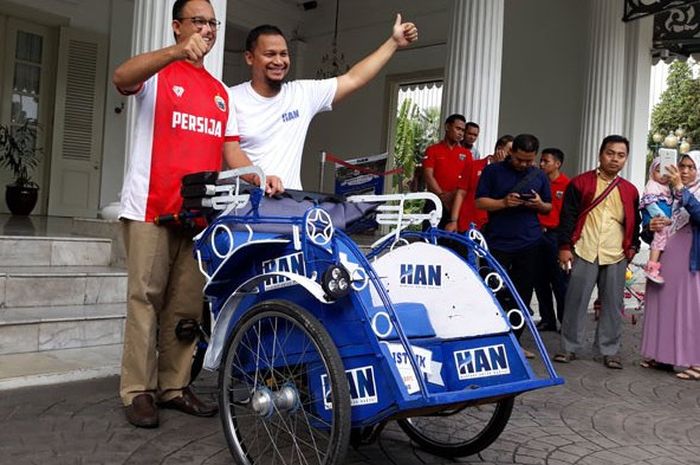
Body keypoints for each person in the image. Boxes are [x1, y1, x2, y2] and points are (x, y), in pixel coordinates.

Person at [113, 0, 281, 428]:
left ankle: (173, 385)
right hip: (151, 208)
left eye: (212, 23)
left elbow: (230, 151)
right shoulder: (158, 72)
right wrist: (173, 52)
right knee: (145, 301)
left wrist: (260, 177)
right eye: (198, 22)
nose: (207, 30)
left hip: (199, 215)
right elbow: (121, 78)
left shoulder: (220, 92)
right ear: (176, 26)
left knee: (186, 307)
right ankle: (138, 390)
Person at [229, 17, 418, 190]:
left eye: (283, 54)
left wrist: (393, 43)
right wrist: (259, 178)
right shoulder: (231, 98)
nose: (278, 61)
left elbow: (354, 78)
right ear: (249, 57)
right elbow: (230, 149)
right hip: (245, 207)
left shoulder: (301, 94)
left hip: (289, 207)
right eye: (270, 54)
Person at [553, 135, 640, 370]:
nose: (615, 159)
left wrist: (632, 248)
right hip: (584, 249)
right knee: (576, 300)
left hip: (616, 253)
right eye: (610, 153)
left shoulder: (630, 190)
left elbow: (635, 221)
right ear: (600, 154)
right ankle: (569, 347)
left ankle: (609, 351)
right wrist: (564, 247)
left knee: (613, 304)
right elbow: (567, 217)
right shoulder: (580, 183)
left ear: (626, 159)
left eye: (621, 155)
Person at [475, 134, 552, 352]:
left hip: (529, 241)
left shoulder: (539, 175)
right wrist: (503, 202)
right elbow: (480, 202)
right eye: (519, 159)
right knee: (494, 291)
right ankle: (492, 338)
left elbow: (548, 207)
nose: (524, 164)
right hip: (498, 242)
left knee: (523, 293)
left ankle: (515, 343)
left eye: (529, 160)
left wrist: (538, 204)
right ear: (511, 152)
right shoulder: (493, 171)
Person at [641, 151, 700, 380]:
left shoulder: (687, 191)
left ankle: (696, 361)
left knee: (691, 308)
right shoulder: (667, 190)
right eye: (682, 166)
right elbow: (651, 221)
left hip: (691, 256)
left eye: (690, 167)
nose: (684, 171)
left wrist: (681, 189)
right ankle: (662, 355)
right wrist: (650, 225)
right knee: (662, 301)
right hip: (667, 255)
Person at [534, 148, 570, 331]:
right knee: (540, 279)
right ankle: (547, 318)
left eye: (545, 161)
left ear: (557, 163)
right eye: (541, 161)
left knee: (560, 281)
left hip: (556, 236)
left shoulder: (568, 185)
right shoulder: (538, 183)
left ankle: (565, 321)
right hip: (537, 234)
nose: (541, 164)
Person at [446, 134, 512, 232]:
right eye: (510, 150)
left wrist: (501, 168)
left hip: (495, 226)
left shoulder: (510, 173)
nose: (512, 154)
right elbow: (461, 193)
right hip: (469, 223)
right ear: (499, 149)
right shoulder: (474, 165)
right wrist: (453, 220)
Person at [422, 114, 472, 229]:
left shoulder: (467, 154)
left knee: (453, 242)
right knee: (430, 240)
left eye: (463, 130)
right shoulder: (432, 150)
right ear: (447, 127)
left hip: (456, 204)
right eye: (457, 128)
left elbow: (467, 180)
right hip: (434, 202)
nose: (460, 133)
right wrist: (441, 196)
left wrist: (452, 195)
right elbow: (428, 175)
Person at [639, 158, 673, 283]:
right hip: (659, 220)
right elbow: (651, 205)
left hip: (666, 221)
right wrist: (663, 218)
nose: (663, 176)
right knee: (660, 236)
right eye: (659, 171)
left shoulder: (667, 188)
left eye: (666, 172)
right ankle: (652, 266)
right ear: (652, 171)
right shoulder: (652, 185)